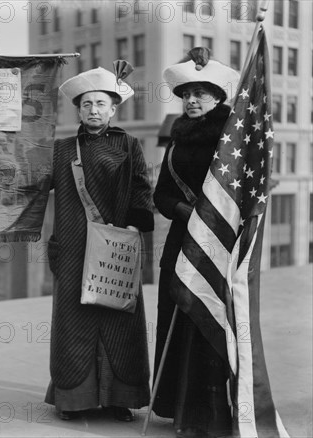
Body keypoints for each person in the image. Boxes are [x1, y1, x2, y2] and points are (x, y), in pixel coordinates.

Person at [45, 65, 154, 422]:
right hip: (74, 247)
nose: (93, 110)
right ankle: (74, 400)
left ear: (113, 109)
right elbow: (31, 186)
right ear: (78, 109)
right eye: (86, 104)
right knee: (74, 322)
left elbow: (141, 188)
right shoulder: (61, 150)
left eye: (101, 104)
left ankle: (119, 399)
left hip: (116, 247)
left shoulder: (128, 144)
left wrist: (135, 227)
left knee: (118, 322)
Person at [152, 47, 240, 438]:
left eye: (200, 94)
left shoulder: (230, 139)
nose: (191, 101)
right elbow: (160, 196)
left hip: (216, 244)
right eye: (186, 94)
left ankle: (207, 415)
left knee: (205, 322)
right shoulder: (176, 137)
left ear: (218, 98)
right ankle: (178, 409)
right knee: (177, 315)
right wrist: (180, 210)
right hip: (180, 241)